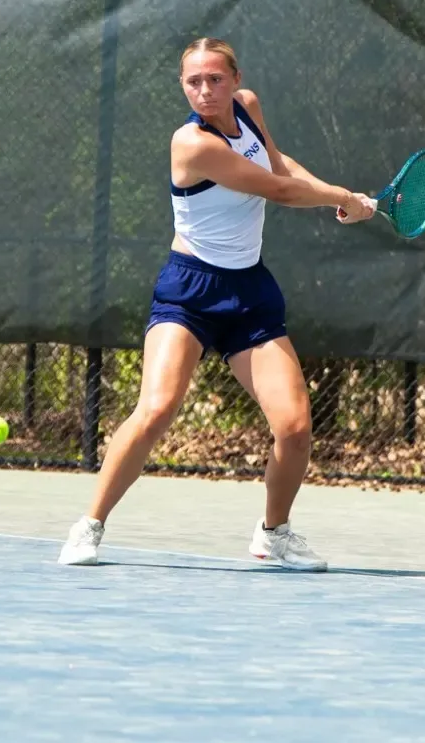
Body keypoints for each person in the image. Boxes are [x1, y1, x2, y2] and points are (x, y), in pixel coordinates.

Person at [57, 38, 377, 571]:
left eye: (215, 79)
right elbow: (277, 190)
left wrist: (333, 194)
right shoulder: (192, 144)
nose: (205, 90)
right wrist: (342, 198)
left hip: (249, 293)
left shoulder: (248, 108)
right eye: (193, 81)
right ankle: (89, 524)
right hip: (190, 291)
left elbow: (280, 164)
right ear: (183, 86)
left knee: (295, 427)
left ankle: (274, 533)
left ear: (234, 79)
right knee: (157, 408)